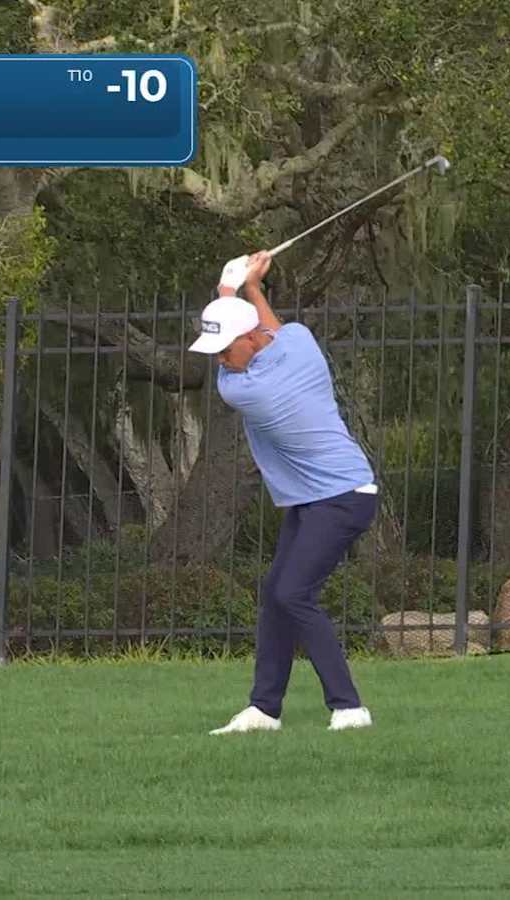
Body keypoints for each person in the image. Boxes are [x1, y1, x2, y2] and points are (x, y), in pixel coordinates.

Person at [188, 251, 378, 735]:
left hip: (343, 495)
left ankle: (349, 707)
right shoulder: (299, 343)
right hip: (315, 498)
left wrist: (230, 286)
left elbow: (249, 341)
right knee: (277, 593)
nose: (220, 359)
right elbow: (270, 326)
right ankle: (264, 708)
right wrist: (251, 287)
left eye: (225, 349)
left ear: (250, 339)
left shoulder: (246, 390)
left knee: (293, 593)